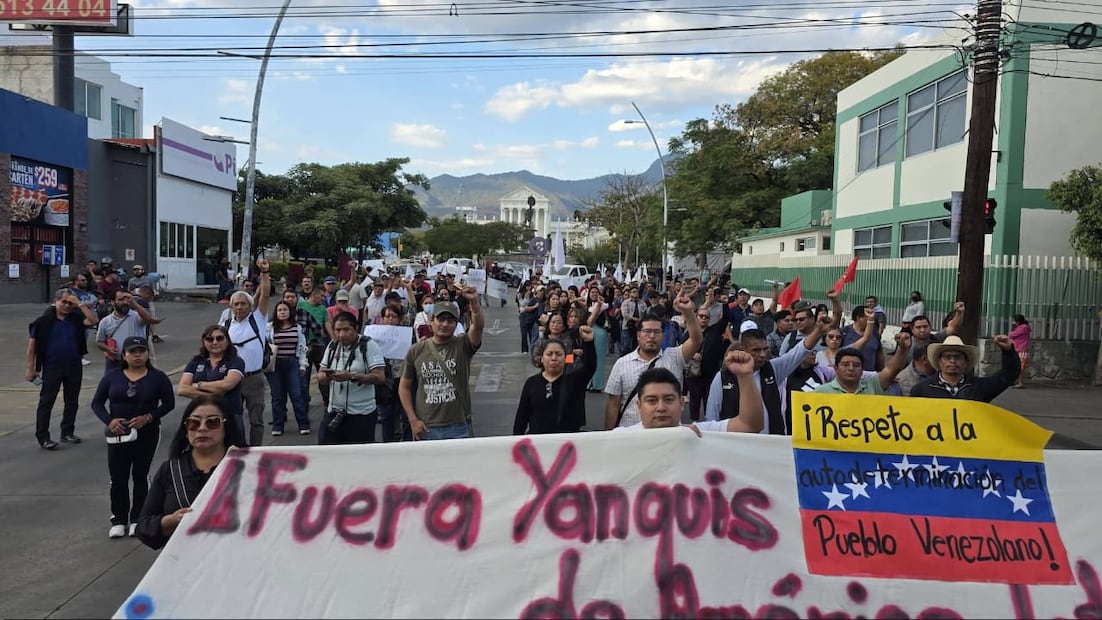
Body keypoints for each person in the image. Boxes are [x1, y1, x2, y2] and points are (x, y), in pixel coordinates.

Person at [90, 336, 175, 538]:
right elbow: (97, 403)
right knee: (118, 477)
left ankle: (138, 517)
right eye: (132, 352)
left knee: (140, 475)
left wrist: (149, 417)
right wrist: (109, 421)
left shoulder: (158, 377)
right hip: (118, 434)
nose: (137, 355)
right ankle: (118, 519)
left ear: (147, 353)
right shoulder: (112, 377)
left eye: (141, 351)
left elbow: (168, 404)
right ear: (124, 355)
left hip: (147, 432)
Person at [135, 395, 245, 550]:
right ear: (186, 431)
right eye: (194, 423)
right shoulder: (170, 471)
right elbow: (143, 527)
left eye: (212, 422)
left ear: (226, 428)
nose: (202, 428)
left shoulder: (248, 468)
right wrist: (170, 521)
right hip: (186, 565)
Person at [704, 315, 833, 435]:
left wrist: (818, 331)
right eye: (756, 350)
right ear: (742, 350)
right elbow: (712, 417)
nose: (763, 354)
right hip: (735, 447)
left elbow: (798, 353)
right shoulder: (722, 377)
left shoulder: (773, 369)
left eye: (765, 349)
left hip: (771, 445)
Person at [603, 290, 703, 430]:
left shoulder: (675, 357)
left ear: (663, 335)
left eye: (656, 332)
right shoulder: (622, 364)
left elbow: (696, 340)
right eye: (647, 331)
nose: (651, 336)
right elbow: (613, 404)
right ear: (638, 335)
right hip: (630, 435)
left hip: (667, 434)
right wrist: (609, 436)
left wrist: (688, 312)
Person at [399, 288, 484, 440]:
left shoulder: (463, 345)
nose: (445, 324)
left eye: (450, 320)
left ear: (456, 324)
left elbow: (477, 327)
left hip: (458, 427)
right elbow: (404, 387)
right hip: (426, 427)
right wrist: (413, 420)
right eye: (440, 319)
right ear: (432, 321)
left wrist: (474, 302)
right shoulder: (416, 350)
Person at [616, 353, 763, 434]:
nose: (661, 407)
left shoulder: (700, 434)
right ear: (639, 405)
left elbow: (750, 425)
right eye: (652, 400)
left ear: (681, 403)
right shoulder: (621, 439)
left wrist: (745, 376)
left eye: (668, 399)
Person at [27, 288, 100, 449]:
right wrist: (30, 369)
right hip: (52, 367)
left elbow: (93, 321)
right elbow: (32, 347)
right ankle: (43, 436)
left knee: (72, 401)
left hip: (74, 365)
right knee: (47, 402)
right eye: (64, 302)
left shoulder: (76, 318)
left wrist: (80, 304)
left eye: (70, 303)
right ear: (56, 302)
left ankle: (67, 432)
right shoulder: (43, 321)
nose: (67, 305)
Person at [223, 259, 272, 447]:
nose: (239, 307)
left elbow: (265, 295)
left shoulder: (257, 319)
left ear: (250, 306)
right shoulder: (226, 325)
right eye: (236, 304)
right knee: (232, 418)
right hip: (231, 379)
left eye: (243, 304)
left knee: (256, 419)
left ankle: (255, 450)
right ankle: (237, 448)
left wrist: (265, 272)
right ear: (231, 306)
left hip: (254, 378)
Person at [513, 325, 598, 435]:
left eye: (558, 354)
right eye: (549, 354)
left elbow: (589, 366)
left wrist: (589, 342)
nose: (554, 358)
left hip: (567, 445)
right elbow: (521, 418)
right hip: (538, 444)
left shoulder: (575, 381)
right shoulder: (531, 383)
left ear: (565, 358)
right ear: (542, 358)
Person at [318, 312, 387, 445]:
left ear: (355, 329)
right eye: (337, 330)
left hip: (361, 415)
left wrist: (352, 376)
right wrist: (328, 376)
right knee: (326, 453)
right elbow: (321, 374)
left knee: (359, 459)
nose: (341, 334)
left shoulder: (368, 345)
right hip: (334, 412)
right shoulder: (332, 346)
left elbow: (380, 377)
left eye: (346, 330)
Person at [177, 325, 246, 440]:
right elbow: (182, 389)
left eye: (219, 338)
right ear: (204, 342)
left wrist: (199, 384)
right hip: (202, 418)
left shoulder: (236, 361)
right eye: (209, 339)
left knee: (234, 452)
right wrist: (214, 395)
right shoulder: (196, 361)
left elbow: (228, 385)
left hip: (230, 415)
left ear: (227, 341)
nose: (214, 342)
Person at [911, 335, 1019, 401]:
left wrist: (1008, 351)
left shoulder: (979, 387)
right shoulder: (921, 389)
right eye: (947, 357)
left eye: (957, 357)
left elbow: (1008, 376)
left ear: (966, 361)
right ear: (939, 361)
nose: (952, 361)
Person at [815, 332, 912, 395]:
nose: (851, 368)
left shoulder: (873, 386)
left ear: (862, 370)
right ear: (835, 368)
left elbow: (891, 370)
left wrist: (903, 349)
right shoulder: (820, 392)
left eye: (856, 365)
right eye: (845, 364)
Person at [267, 300, 311, 436]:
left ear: (290, 312)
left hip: (292, 362)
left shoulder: (297, 327)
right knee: (277, 396)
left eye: (285, 310)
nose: (282, 312)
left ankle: (303, 424)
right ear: (276, 312)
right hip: (275, 364)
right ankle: (277, 425)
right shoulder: (269, 328)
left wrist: (303, 364)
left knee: (297, 395)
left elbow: (303, 347)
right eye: (279, 310)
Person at [96, 288, 155, 374]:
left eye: (127, 300)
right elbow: (99, 342)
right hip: (115, 362)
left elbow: (148, 319)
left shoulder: (137, 316)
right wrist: (108, 349)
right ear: (113, 302)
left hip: (137, 362)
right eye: (120, 300)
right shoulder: (105, 321)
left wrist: (134, 303)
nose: (125, 302)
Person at [584, 286, 611, 392]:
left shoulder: (603, 305)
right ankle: (589, 382)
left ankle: (597, 384)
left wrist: (599, 304)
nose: (594, 294)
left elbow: (591, 321)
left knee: (598, 359)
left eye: (596, 292)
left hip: (599, 333)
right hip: (589, 332)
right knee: (588, 359)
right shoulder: (588, 305)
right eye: (592, 292)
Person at [1010, 314, 1032, 389]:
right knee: (1018, 367)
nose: (1013, 322)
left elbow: (1012, 335)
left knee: (1019, 367)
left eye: (1014, 321)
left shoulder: (1022, 328)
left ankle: (1020, 382)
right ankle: (1017, 381)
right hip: (1021, 348)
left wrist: (1010, 333)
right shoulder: (1024, 327)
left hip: (1021, 349)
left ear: (1018, 321)